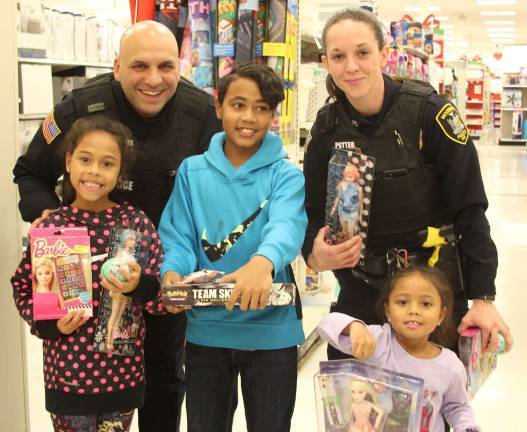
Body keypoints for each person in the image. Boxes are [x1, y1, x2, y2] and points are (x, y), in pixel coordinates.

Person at [12, 20, 221, 431]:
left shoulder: (201, 113)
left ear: (180, 66)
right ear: (117, 66)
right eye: (139, 66)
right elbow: (29, 172)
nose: (154, 79)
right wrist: (50, 219)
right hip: (84, 288)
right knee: (88, 393)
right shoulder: (76, 109)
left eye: (166, 66)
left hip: (160, 273)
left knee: (164, 376)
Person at [301, 8, 512, 361]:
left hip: (431, 294)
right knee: (360, 414)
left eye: (363, 52)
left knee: (433, 408)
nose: (351, 66)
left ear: (384, 53)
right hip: (361, 297)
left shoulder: (430, 114)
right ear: (325, 62)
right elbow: (309, 212)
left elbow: (471, 208)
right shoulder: (325, 130)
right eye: (338, 56)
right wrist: (313, 253)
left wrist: (483, 297)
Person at [159, 62, 307, 432]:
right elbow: (177, 235)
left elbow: (286, 225)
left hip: (272, 334)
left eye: (262, 108)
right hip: (206, 331)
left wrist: (264, 262)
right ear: (219, 107)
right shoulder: (192, 172)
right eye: (239, 105)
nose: (249, 117)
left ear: (273, 116)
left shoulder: (285, 174)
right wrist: (172, 274)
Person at [12, 116, 165, 431]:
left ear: (120, 171)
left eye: (107, 163)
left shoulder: (134, 224)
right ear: (69, 162)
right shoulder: (54, 227)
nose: (94, 170)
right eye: (85, 159)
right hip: (66, 380)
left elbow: (161, 298)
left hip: (121, 380)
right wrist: (48, 325)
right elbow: (23, 289)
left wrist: (138, 285)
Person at [319, 266, 480, 432]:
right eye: (402, 302)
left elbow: (457, 407)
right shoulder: (378, 342)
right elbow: (326, 326)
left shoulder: (450, 365)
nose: (413, 311)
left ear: (440, 315)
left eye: (426, 304)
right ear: (388, 310)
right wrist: (354, 327)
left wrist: (468, 428)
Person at [330, 162, 363, 241]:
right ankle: (344, 247)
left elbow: (360, 203)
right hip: (343, 211)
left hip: (352, 213)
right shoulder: (341, 185)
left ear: (355, 177)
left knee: (350, 232)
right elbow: (338, 197)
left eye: (350, 177)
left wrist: (361, 215)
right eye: (346, 176)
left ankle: (350, 248)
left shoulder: (358, 188)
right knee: (344, 231)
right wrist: (333, 208)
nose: (348, 179)